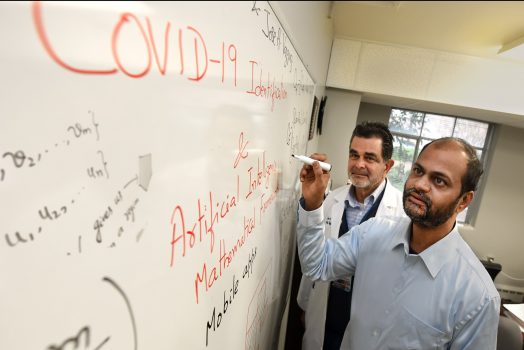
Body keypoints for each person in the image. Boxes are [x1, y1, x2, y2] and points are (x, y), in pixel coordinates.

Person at [297, 137, 500, 349]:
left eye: (439, 180)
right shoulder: (373, 233)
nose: (420, 185)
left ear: (464, 201)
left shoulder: (478, 297)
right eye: (418, 171)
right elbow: (316, 265)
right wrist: (312, 202)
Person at [297, 121, 406, 350]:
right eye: (354, 155)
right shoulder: (330, 200)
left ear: (387, 166)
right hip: (325, 321)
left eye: (370, 158)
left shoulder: (402, 215)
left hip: (368, 333)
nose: (359, 164)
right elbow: (313, 257)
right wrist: (305, 305)